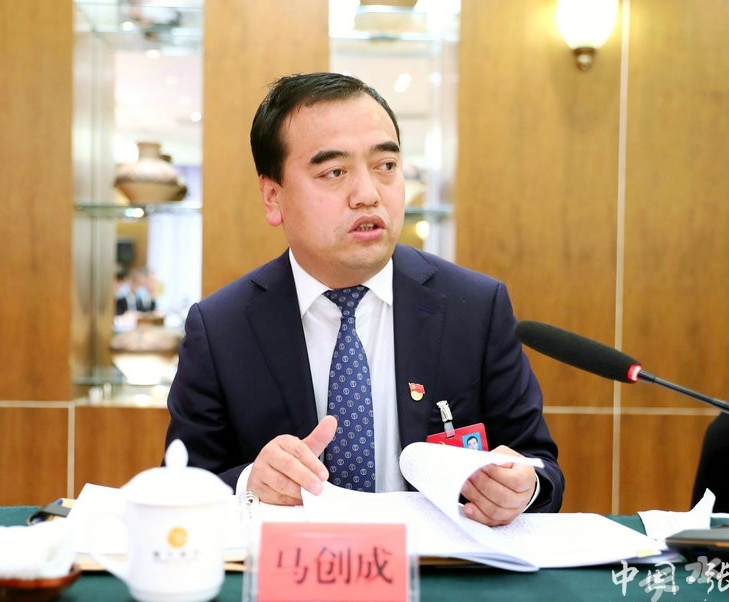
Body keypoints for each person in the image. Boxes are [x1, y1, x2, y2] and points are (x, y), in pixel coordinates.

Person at [166, 72, 564, 526]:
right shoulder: (221, 328)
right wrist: (249, 484)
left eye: (386, 166)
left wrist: (522, 488)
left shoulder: (474, 306)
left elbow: (538, 464)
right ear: (273, 197)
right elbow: (182, 485)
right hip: (293, 566)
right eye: (334, 172)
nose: (368, 195)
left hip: (437, 567)